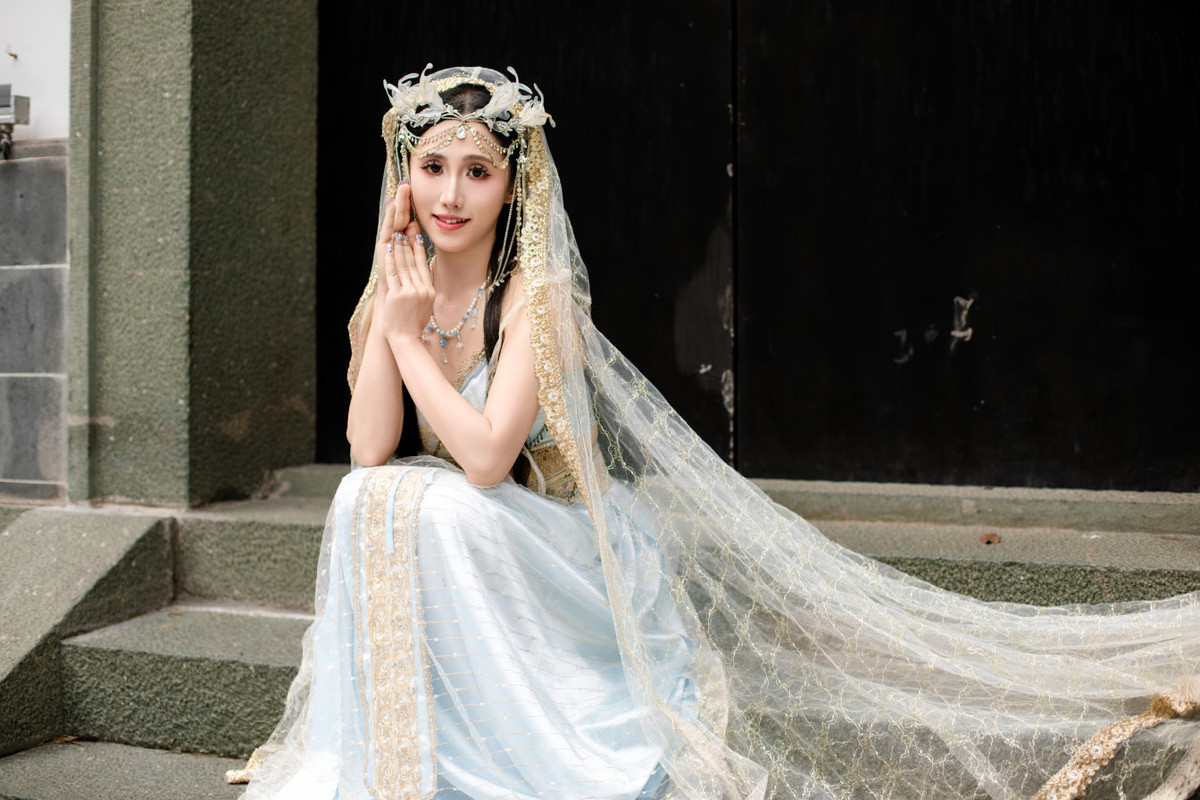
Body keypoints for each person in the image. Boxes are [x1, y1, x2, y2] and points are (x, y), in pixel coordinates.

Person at [234, 66, 1200, 800]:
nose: (451, 195)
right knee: (373, 494)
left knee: (430, 503)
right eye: (432, 168)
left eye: (477, 172)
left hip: (555, 551)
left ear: (512, 186)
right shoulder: (400, 286)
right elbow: (368, 450)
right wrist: (394, 318)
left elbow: (487, 460)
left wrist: (406, 344)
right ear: (402, 179)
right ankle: (406, 753)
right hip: (476, 548)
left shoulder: (535, 298)